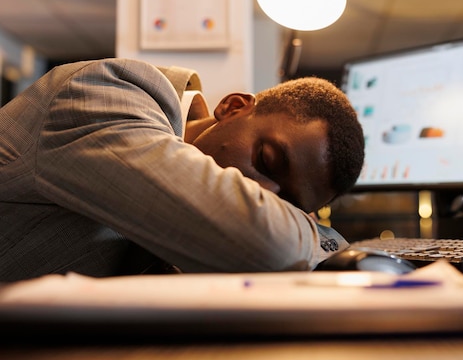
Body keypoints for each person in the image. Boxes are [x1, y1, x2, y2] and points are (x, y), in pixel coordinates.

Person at [0, 57, 364, 281]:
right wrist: (312, 230)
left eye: (287, 201)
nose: (265, 193)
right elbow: (275, 247)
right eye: (267, 160)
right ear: (233, 107)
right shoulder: (106, 93)